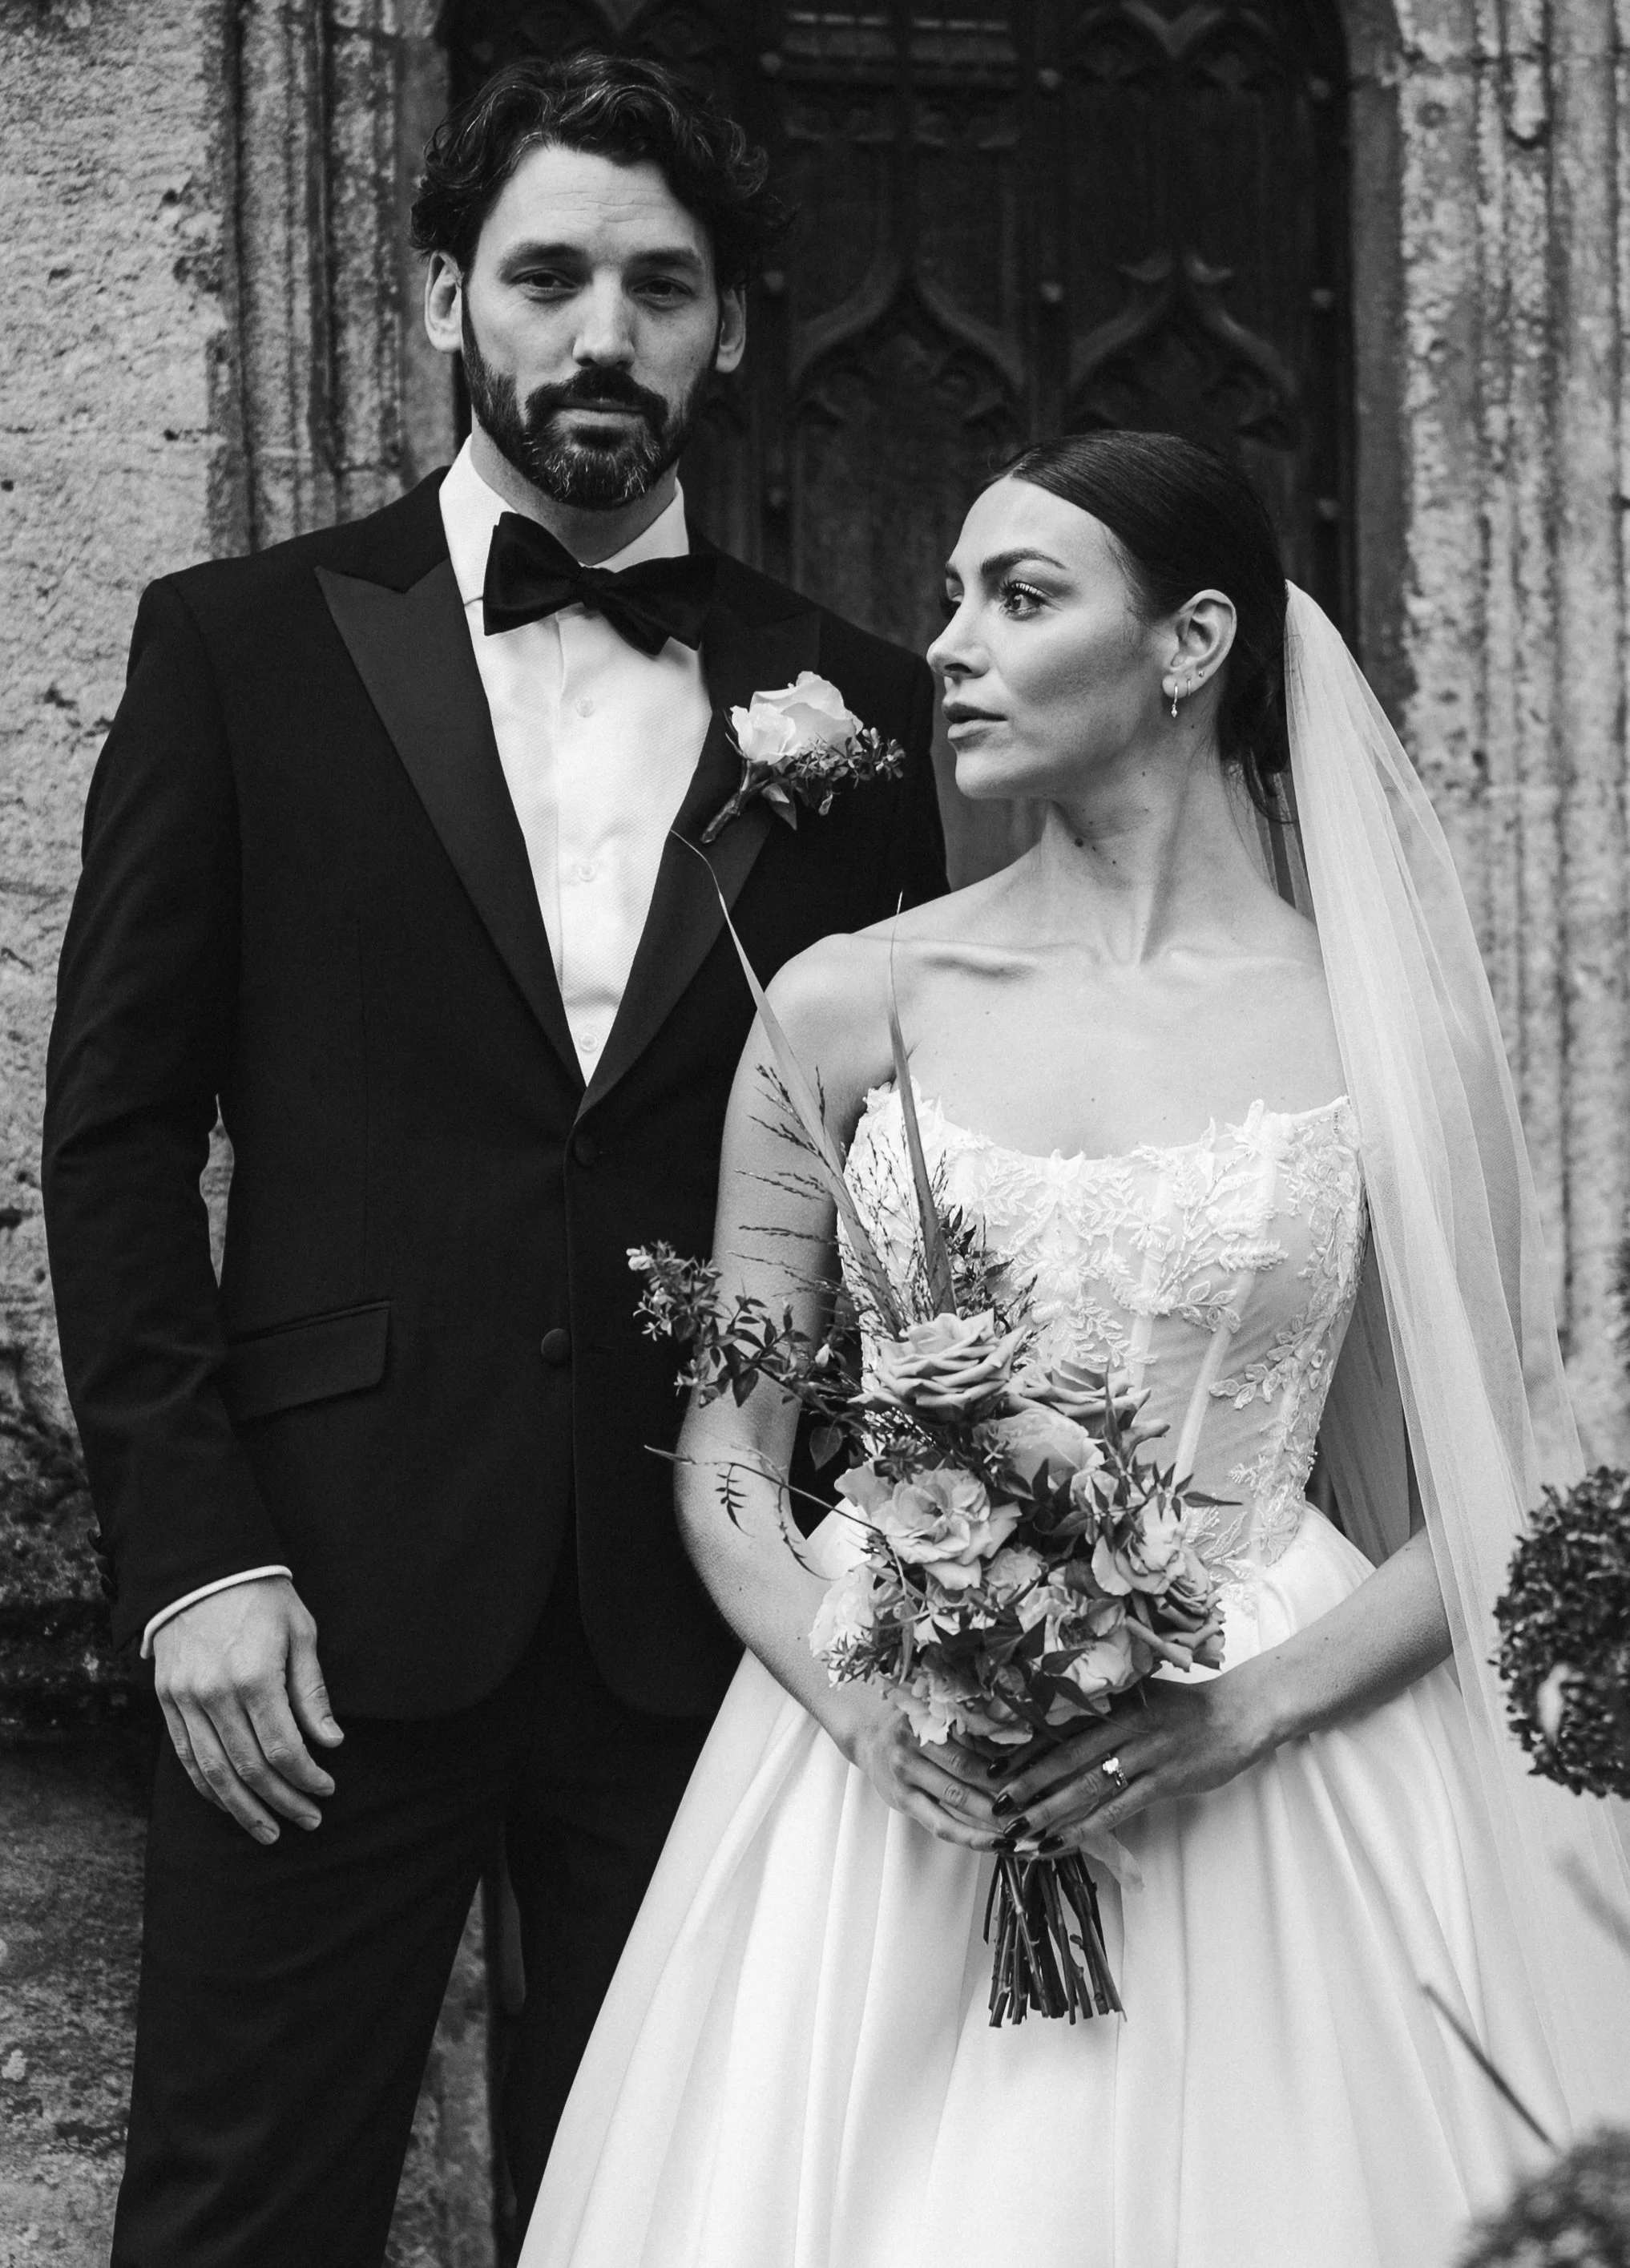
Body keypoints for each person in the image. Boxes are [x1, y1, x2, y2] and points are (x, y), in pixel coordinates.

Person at [522, 433, 1630, 2267]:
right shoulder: (842, 1002)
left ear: (1191, 642)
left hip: (1278, 1771)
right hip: (891, 1779)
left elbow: (1490, 1486)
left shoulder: (1387, 1022)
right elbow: (730, 1459)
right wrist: (871, 1700)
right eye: (953, 592)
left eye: (1020, 596)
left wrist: (1249, 1709)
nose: (948, 642)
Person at [41, 51, 944, 2268]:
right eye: (545, 273)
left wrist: (882, 1554)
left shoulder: (844, 709)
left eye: (661, 283)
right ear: (449, 294)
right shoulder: (238, 646)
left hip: (717, 1614)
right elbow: (120, 1130)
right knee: (237, 2214)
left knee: (688, 2219)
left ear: (726, 326)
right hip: (314, 1608)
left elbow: (905, 1171)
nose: (601, 332)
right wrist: (192, 1556)